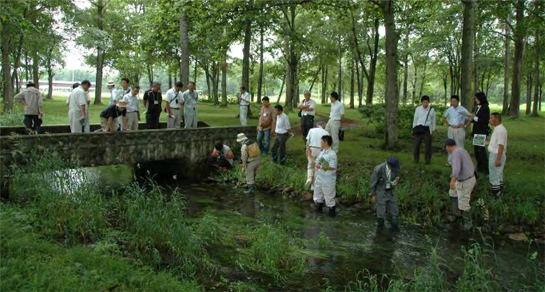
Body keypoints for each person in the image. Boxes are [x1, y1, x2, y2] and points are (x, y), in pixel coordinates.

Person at [445, 138, 476, 231]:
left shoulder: (455, 153)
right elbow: (470, 164)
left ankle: (468, 224)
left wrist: (452, 180)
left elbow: (457, 169)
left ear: (448, 147)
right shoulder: (462, 150)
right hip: (466, 178)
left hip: (465, 181)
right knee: (452, 193)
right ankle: (457, 215)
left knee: (463, 202)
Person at [308, 135, 338, 216]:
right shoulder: (322, 152)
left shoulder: (332, 154)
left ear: (326, 143)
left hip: (328, 181)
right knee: (318, 198)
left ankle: (331, 220)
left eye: (321, 141)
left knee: (329, 200)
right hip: (319, 179)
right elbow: (317, 163)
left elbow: (332, 167)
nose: (320, 143)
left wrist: (321, 166)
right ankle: (318, 217)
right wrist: (309, 155)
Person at [370, 157, 401, 231]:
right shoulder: (378, 169)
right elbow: (373, 183)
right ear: (389, 165)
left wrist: (396, 182)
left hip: (391, 191)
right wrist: (373, 194)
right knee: (381, 212)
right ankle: (380, 231)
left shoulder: (395, 169)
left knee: (395, 210)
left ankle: (394, 228)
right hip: (380, 192)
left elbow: (397, 177)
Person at [467, 92, 490, 175]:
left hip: (481, 132)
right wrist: (471, 119)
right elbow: (476, 119)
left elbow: (483, 120)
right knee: (477, 151)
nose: (475, 100)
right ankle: (479, 167)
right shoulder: (479, 108)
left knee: (481, 151)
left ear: (480, 99)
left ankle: (485, 170)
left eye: (476, 99)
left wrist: (474, 117)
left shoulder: (485, 108)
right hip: (477, 132)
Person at [443, 95, 469, 165]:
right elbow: (444, 117)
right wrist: (448, 124)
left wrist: (465, 125)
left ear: (458, 101)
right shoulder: (450, 109)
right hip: (451, 128)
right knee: (450, 144)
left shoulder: (462, 109)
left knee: (459, 145)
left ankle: (460, 161)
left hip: (459, 129)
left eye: (454, 101)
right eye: (452, 101)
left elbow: (470, 118)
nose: (453, 103)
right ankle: (450, 161)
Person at [305, 120, 329, 189]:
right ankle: (313, 185)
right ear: (323, 125)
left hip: (312, 149)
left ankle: (309, 178)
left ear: (316, 125)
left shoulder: (311, 130)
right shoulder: (326, 132)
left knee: (310, 166)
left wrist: (307, 149)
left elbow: (307, 142)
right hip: (321, 150)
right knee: (317, 168)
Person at [488, 113, 507, 198]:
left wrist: (498, 159)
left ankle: (496, 194)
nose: (489, 119)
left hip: (496, 155)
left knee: (494, 175)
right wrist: (488, 143)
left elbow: (501, 145)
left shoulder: (500, 130)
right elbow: (497, 143)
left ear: (496, 119)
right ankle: (500, 190)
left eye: (491, 118)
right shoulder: (497, 129)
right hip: (496, 153)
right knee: (499, 173)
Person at [412, 95, 436, 164]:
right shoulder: (418, 109)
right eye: (424, 102)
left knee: (428, 145)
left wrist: (433, 130)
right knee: (417, 145)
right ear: (422, 102)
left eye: (426, 102)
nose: (425, 104)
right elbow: (415, 119)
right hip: (419, 128)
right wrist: (414, 129)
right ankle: (416, 159)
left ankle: (427, 160)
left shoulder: (431, 110)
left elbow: (433, 120)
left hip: (427, 128)